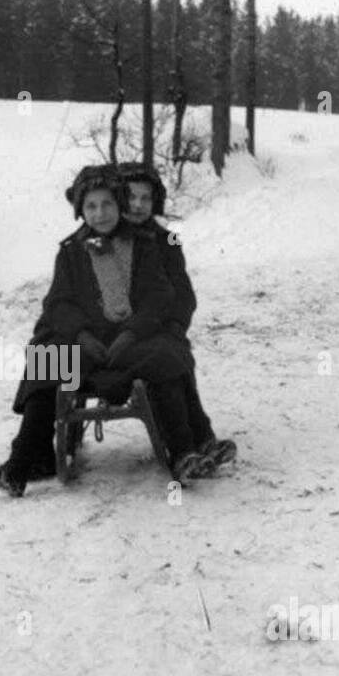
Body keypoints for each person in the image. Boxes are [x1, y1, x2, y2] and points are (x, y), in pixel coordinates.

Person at [0, 167, 208, 497]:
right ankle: (19, 466)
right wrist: (81, 335)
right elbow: (59, 302)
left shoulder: (143, 246)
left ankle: (184, 453)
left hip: (132, 344)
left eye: (107, 205)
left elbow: (159, 296)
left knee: (165, 358)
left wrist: (131, 332)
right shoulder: (71, 251)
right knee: (49, 361)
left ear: (118, 205)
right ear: (81, 211)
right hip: (88, 346)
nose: (100, 214)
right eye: (91, 206)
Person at [122, 165, 236, 476]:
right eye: (131, 196)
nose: (137, 204)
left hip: (162, 330)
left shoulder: (167, 240)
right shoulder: (112, 238)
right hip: (129, 335)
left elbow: (183, 293)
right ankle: (185, 446)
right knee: (166, 358)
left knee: (175, 351)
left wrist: (174, 326)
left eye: (146, 198)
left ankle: (202, 442)